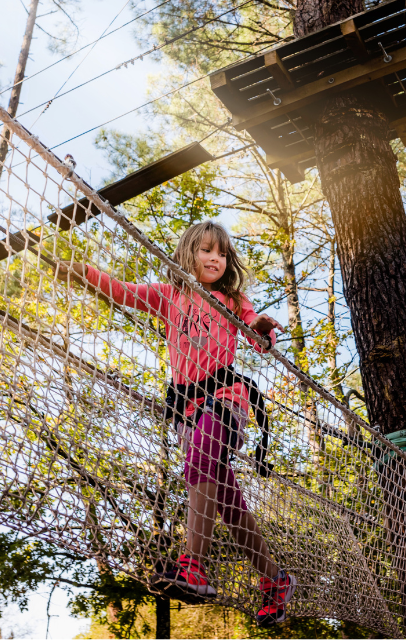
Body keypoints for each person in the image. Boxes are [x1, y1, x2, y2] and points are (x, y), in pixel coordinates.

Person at [54, 221, 295, 627]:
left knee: (201, 458)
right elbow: (122, 291)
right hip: (187, 408)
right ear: (188, 253)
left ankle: (193, 566)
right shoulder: (170, 296)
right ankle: (275, 579)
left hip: (225, 399)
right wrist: (83, 271)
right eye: (205, 250)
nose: (214, 258)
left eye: (220, 253)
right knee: (228, 504)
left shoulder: (233, 301)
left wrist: (263, 329)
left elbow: (258, 337)